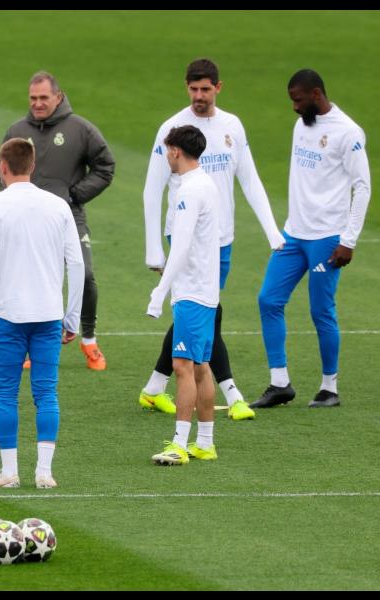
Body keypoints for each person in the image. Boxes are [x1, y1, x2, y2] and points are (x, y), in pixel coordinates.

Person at [140, 58, 285, 421]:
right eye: (193, 89)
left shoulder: (232, 126)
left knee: (200, 312)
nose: (199, 96)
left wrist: (272, 230)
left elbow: (250, 180)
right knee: (208, 312)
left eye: (205, 89)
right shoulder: (172, 128)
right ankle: (232, 393)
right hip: (184, 237)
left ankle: (154, 387)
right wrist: (154, 249)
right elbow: (152, 189)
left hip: (222, 239)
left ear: (218, 88)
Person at [251, 69, 371, 409]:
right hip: (293, 234)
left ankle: (329, 388)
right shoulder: (301, 125)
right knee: (268, 300)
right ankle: (280, 383)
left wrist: (349, 240)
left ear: (316, 94)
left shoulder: (348, 133)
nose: (294, 106)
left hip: (327, 238)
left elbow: (362, 187)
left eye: (298, 100)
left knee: (320, 310)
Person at [0, 138, 84, 488]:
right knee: (46, 392)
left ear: (2, 167)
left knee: (6, 392)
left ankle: (9, 471)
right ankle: (44, 472)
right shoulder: (58, 206)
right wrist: (73, 316)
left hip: (8, 315)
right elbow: (76, 264)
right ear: (32, 166)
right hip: (48, 314)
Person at [0, 71, 114, 371]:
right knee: (27, 278)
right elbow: (1, 170)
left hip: (69, 216)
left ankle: (89, 340)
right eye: (33, 98)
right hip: (26, 220)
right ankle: (29, 346)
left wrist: (75, 195)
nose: (37, 103)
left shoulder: (80, 129)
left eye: (43, 98)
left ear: (58, 97)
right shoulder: (17, 131)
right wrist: (13, 200)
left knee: (85, 274)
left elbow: (105, 166)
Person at [147, 126, 220, 466]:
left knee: (182, 366)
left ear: (176, 150)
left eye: (167, 150)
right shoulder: (206, 184)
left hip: (191, 291)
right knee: (201, 366)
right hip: (205, 289)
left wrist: (160, 291)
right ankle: (204, 443)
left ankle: (179, 444)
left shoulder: (189, 190)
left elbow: (181, 246)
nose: (166, 157)